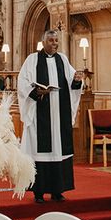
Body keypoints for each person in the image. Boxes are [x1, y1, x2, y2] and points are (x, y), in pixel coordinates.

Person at [18, 29, 83, 203]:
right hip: (40, 116)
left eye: (56, 40)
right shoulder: (32, 60)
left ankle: (57, 191)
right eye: (51, 41)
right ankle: (38, 192)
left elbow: (72, 83)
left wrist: (77, 80)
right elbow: (22, 83)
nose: (54, 43)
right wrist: (35, 91)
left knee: (59, 152)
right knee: (40, 153)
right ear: (43, 42)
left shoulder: (63, 59)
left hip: (59, 115)